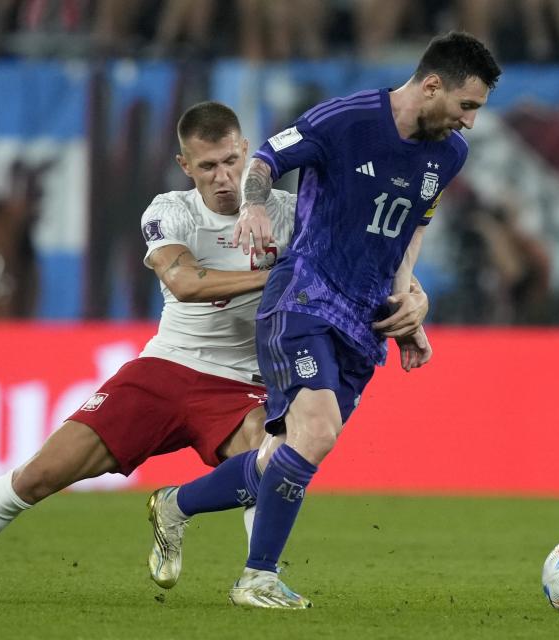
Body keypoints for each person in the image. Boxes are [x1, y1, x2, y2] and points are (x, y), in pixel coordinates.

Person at [0, 101, 297, 596]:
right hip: (166, 369)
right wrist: (278, 275)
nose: (225, 177)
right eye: (208, 166)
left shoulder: (292, 214)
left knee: (270, 453)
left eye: (232, 160)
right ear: (184, 165)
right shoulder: (170, 211)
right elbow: (184, 281)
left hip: (242, 383)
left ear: (247, 151)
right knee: (39, 475)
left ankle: (259, 577)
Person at [150, 32, 501, 609]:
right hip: (305, 295)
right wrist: (256, 204)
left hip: (365, 321)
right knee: (316, 431)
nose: (469, 122)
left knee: (282, 455)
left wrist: (409, 307)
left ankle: (175, 504)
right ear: (432, 85)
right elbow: (265, 157)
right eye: (467, 106)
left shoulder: (449, 155)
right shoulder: (348, 119)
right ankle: (256, 577)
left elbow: (411, 229)